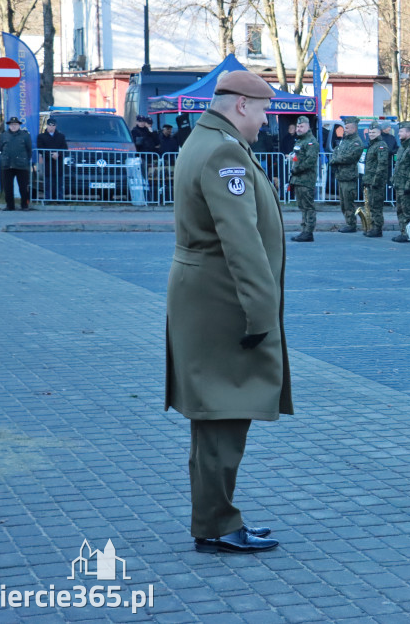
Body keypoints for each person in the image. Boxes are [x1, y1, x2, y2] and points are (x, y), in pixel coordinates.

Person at [165, 69, 291, 554]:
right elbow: (242, 242)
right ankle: (216, 523)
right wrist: (262, 314)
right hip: (223, 300)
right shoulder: (223, 152)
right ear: (241, 105)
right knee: (224, 412)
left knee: (215, 415)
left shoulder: (205, 141)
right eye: (262, 112)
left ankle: (215, 516)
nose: (264, 122)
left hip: (207, 295)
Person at [330, 117, 364, 232]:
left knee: (349, 202)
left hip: (349, 177)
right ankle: (348, 222)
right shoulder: (345, 140)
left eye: (348, 128)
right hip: (341, 175)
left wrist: (336, 160)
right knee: (343, 203)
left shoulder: (356, 142)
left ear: (354, 129)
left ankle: (351, 224)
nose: (345, 130)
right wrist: (335, 158)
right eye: (345, 127)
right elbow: (336, 151)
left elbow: (350, 157)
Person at [288, 115, 319, 242]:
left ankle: (308, 232)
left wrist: (295, 169)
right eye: (298, 126)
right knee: (302, 207)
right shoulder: (300, 141)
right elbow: (298, 157)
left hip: (306, 179)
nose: (299, 129)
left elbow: (309, 161)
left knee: (308, 207)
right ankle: (304, 230)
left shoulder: (311, 142)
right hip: (298, 179)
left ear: (308, 127)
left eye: (302, 126)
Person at [390, 122, 410, 243]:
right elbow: (399, 166)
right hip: (400, 184)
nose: (399, 134)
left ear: (408, 133)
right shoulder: (403, 147)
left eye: (401, 131)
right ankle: (403, 232)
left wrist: (409, 184)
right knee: (400, 209)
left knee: (408, 210)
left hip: (407, 185)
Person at [362, 121, 390, 237]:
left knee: (376, 206)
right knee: (372, 205)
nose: (371, 134)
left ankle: (377, 228)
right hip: (370, 180)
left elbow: (382, 164)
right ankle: (372, 226)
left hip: (377, 181)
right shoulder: (372, 145)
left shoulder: (381, 145)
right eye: (370, 132)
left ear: (379, 133)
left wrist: (376, 180)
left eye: (374, 132)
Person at [0, 116, 31, 211]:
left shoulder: (25, 135)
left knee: (23, 187)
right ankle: (10, 205)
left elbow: (29, 150)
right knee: (8, 187)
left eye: (15, 125)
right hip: (7, 165)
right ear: (9, 126)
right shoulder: (3, 135)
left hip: (21, 165)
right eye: (12, 125)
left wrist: (25, 160)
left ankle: (24, 205)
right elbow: (1, 148)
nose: (13, 126)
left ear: (19, 125)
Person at [36, 117, 68, 201]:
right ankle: (47, 199)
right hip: (47, 162)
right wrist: (51, 155)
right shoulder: (41, 136)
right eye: (50, 125)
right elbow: (40, 148)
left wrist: (58, 154)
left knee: (59, 182)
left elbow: (64, 148)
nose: (51, 127)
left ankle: (60, 199)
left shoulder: (61, 136)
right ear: (47, 126)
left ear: (56, 126)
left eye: (53, 125)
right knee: (48, 183)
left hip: (58, 162)